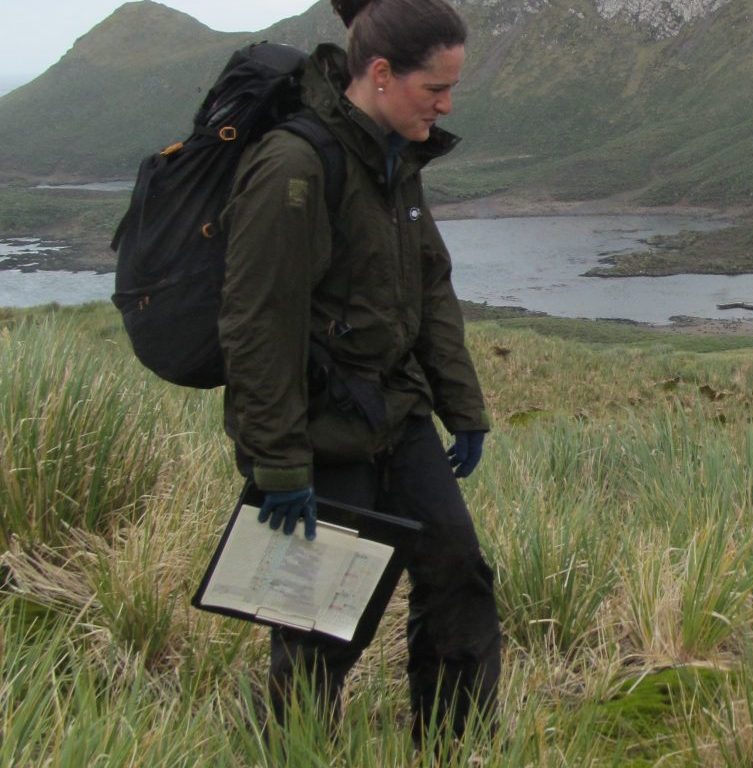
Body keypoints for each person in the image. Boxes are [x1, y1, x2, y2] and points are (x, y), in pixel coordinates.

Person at [217, 0, 500, 744]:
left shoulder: (396, 156)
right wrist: (279, 464)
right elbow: (258, 325)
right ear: (380, 74)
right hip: (320, 426)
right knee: (319, 622)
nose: (444, 108)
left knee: (458, 571)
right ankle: (293, 751)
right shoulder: (293, 166)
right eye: (434, 90)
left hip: (397, 413)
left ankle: (453, 745)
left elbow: (428, 283)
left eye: (451, 91)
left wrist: (461, 407)